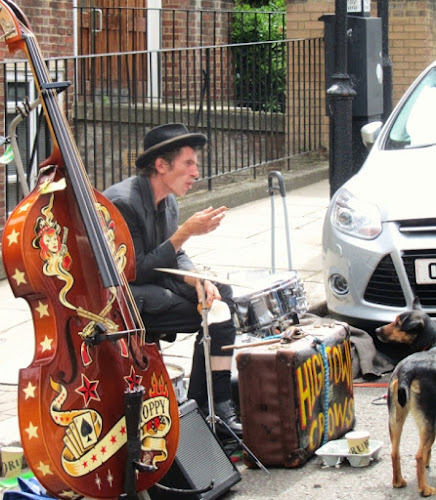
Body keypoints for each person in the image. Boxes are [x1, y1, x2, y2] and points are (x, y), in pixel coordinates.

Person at [104, 123, 242, 436]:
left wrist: (197, 279)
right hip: (123, 296)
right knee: (212, 316)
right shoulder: (123, 202)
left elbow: (175, 255)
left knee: (221, 296)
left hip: (152, 280)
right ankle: (211, 406)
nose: (196, 172)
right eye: (188, 163)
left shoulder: (168, 200)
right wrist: (184, 234)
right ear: (162, 165)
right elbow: (134, 270)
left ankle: (210, 402)